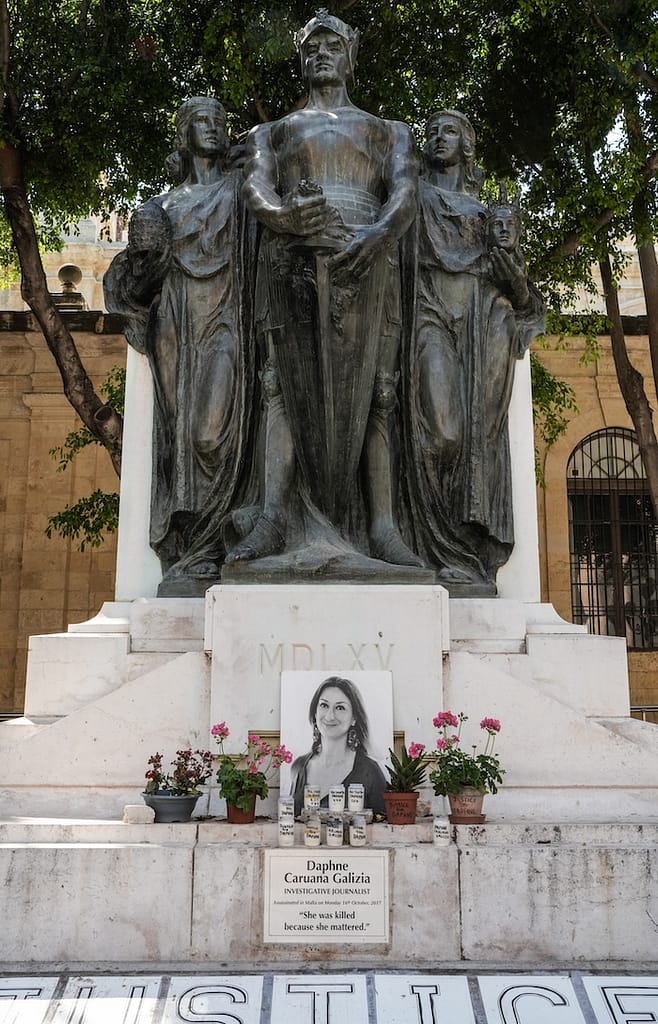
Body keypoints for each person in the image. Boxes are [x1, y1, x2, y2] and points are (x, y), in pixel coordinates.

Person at [224, 9, 423, 575]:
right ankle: (270, 518)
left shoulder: (389, 131)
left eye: (333, 45)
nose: (322, 54)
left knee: (380, 391)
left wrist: (378, 235)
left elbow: (404, 193)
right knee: (277, 386)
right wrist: (285, 218)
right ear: (301, 57)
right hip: (290, 259)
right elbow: (256, 188)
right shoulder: (274, 131)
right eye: (312, 47)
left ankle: (383, 528)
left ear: (350, 54)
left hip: (367, 260)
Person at [104, 97, 255, 594]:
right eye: (202, 122)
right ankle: (193, 552)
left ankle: (222, 538)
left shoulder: (241, 192)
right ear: (185, 135)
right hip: (175, 322)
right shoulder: (159, 208)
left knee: (215, 434)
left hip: (227, 321)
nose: (213, 128)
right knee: (182, 436)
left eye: (220, 121)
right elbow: (137, 285)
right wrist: (148, 257)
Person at [404, 110, 545, 589]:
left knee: (473, 440)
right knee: (442, 432)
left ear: (466, 145)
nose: (436, 138)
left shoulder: (492, 219)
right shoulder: (413, 199)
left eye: (447, 131)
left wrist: (515, 282)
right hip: (429, 320)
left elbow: (523, 299)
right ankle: (432, 543)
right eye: (431, 131)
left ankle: (463, 555)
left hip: (482, 332)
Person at [290, 676, 387, 816]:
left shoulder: (370, 772)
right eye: (324, 705)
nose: (330, 716)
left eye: (340, 708)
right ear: (315, 712)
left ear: (354, 718)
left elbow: (384, 828)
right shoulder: (298, 767)